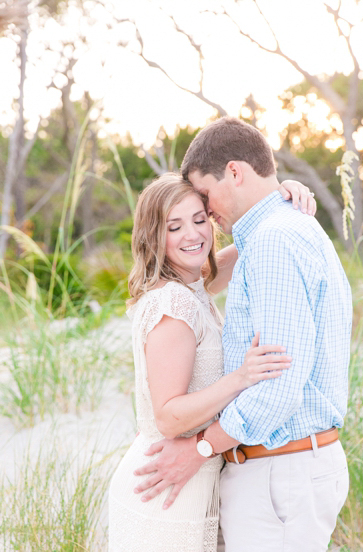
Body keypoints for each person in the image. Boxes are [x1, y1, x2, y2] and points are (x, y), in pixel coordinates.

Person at [133, 117, 353, 552]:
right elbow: (202, 274)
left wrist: (199, 450)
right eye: (175, 224)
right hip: (278, 474)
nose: (207, 217)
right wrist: (279, 192)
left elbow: (276, 391)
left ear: (234, 171)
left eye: (204, 203)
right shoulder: (278, 232)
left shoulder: (273, 240)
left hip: (279, 474)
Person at [108, 171, 315, 552]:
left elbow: (244, 250)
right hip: (167, 487)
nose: (192, 234)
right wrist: (241, 377)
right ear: (154, 235)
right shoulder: (175, 304)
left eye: (199, 219)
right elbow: (167, 417)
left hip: (185, 477)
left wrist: (278, 196)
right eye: (174, 226)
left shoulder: (190, 284)